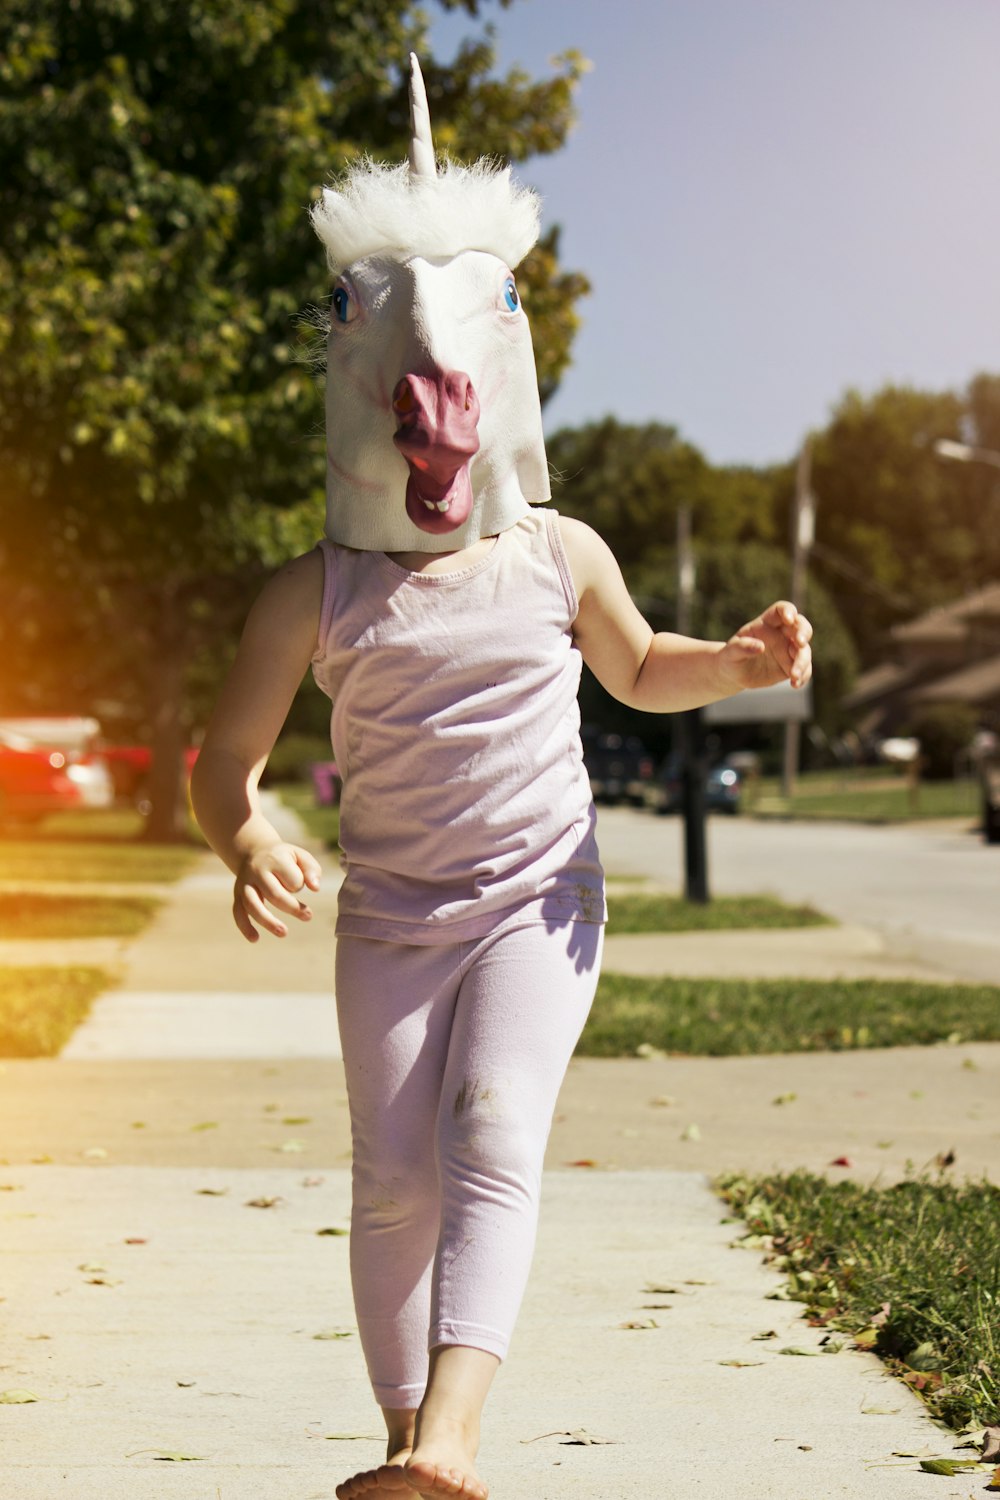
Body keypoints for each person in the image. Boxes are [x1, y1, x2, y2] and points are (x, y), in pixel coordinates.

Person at [191, 56, 813, 1500]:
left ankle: (454, 1442)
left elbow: (638, 664)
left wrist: (729, 660)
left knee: (486, 1132)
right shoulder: (316, 592)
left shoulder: (557, 552)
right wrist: (248, 834)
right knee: (391, 1173)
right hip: (393, 917)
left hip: (543, 899)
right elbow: (221, 763)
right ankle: (408, 1448)